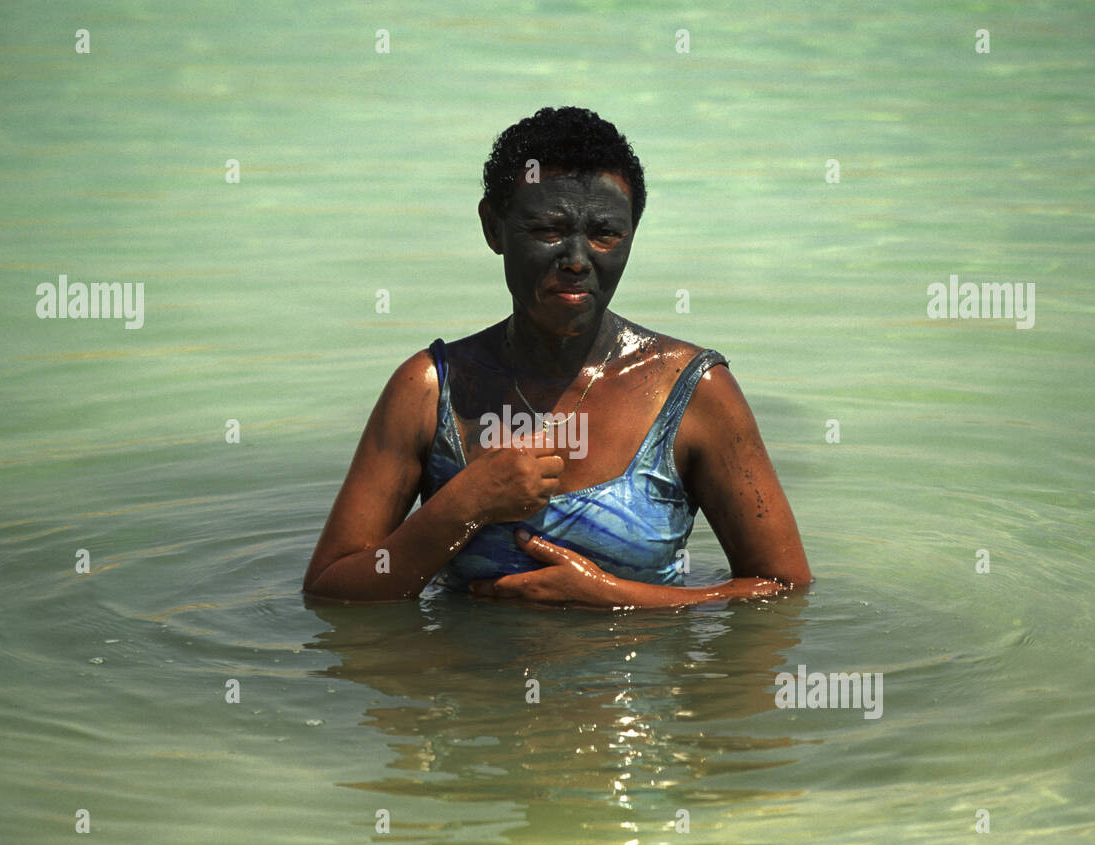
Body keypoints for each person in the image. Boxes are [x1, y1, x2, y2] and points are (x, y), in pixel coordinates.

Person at [303, 106, 811, 608]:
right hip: (472, 689)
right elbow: (331, 590)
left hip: (634, 685)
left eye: (605, 234)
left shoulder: (691, 391)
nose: (575, 260)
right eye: (548, 229)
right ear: (493, 228)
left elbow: (784, 592)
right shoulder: (432, 390)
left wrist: (614, 597)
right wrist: (464, 504)